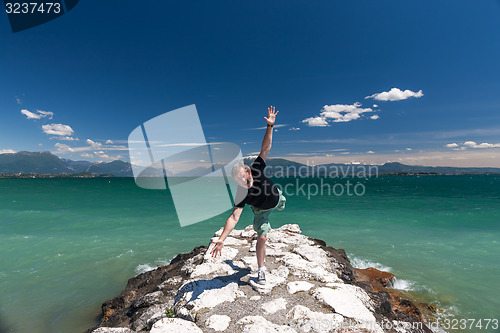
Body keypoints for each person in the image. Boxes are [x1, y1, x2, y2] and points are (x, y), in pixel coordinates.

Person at [210, 106, 286, 285]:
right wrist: (222, 239)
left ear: (249, 172)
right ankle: (261, 271)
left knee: (282, 202)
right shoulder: (241, 193)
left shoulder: (257, 168)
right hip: (261, 211)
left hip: (277, 197)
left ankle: (281, 202)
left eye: (243, 179)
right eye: (238, 181)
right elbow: (234, 217)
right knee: (261, 236)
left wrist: (270, 126)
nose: (242, 183)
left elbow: (266, 148)